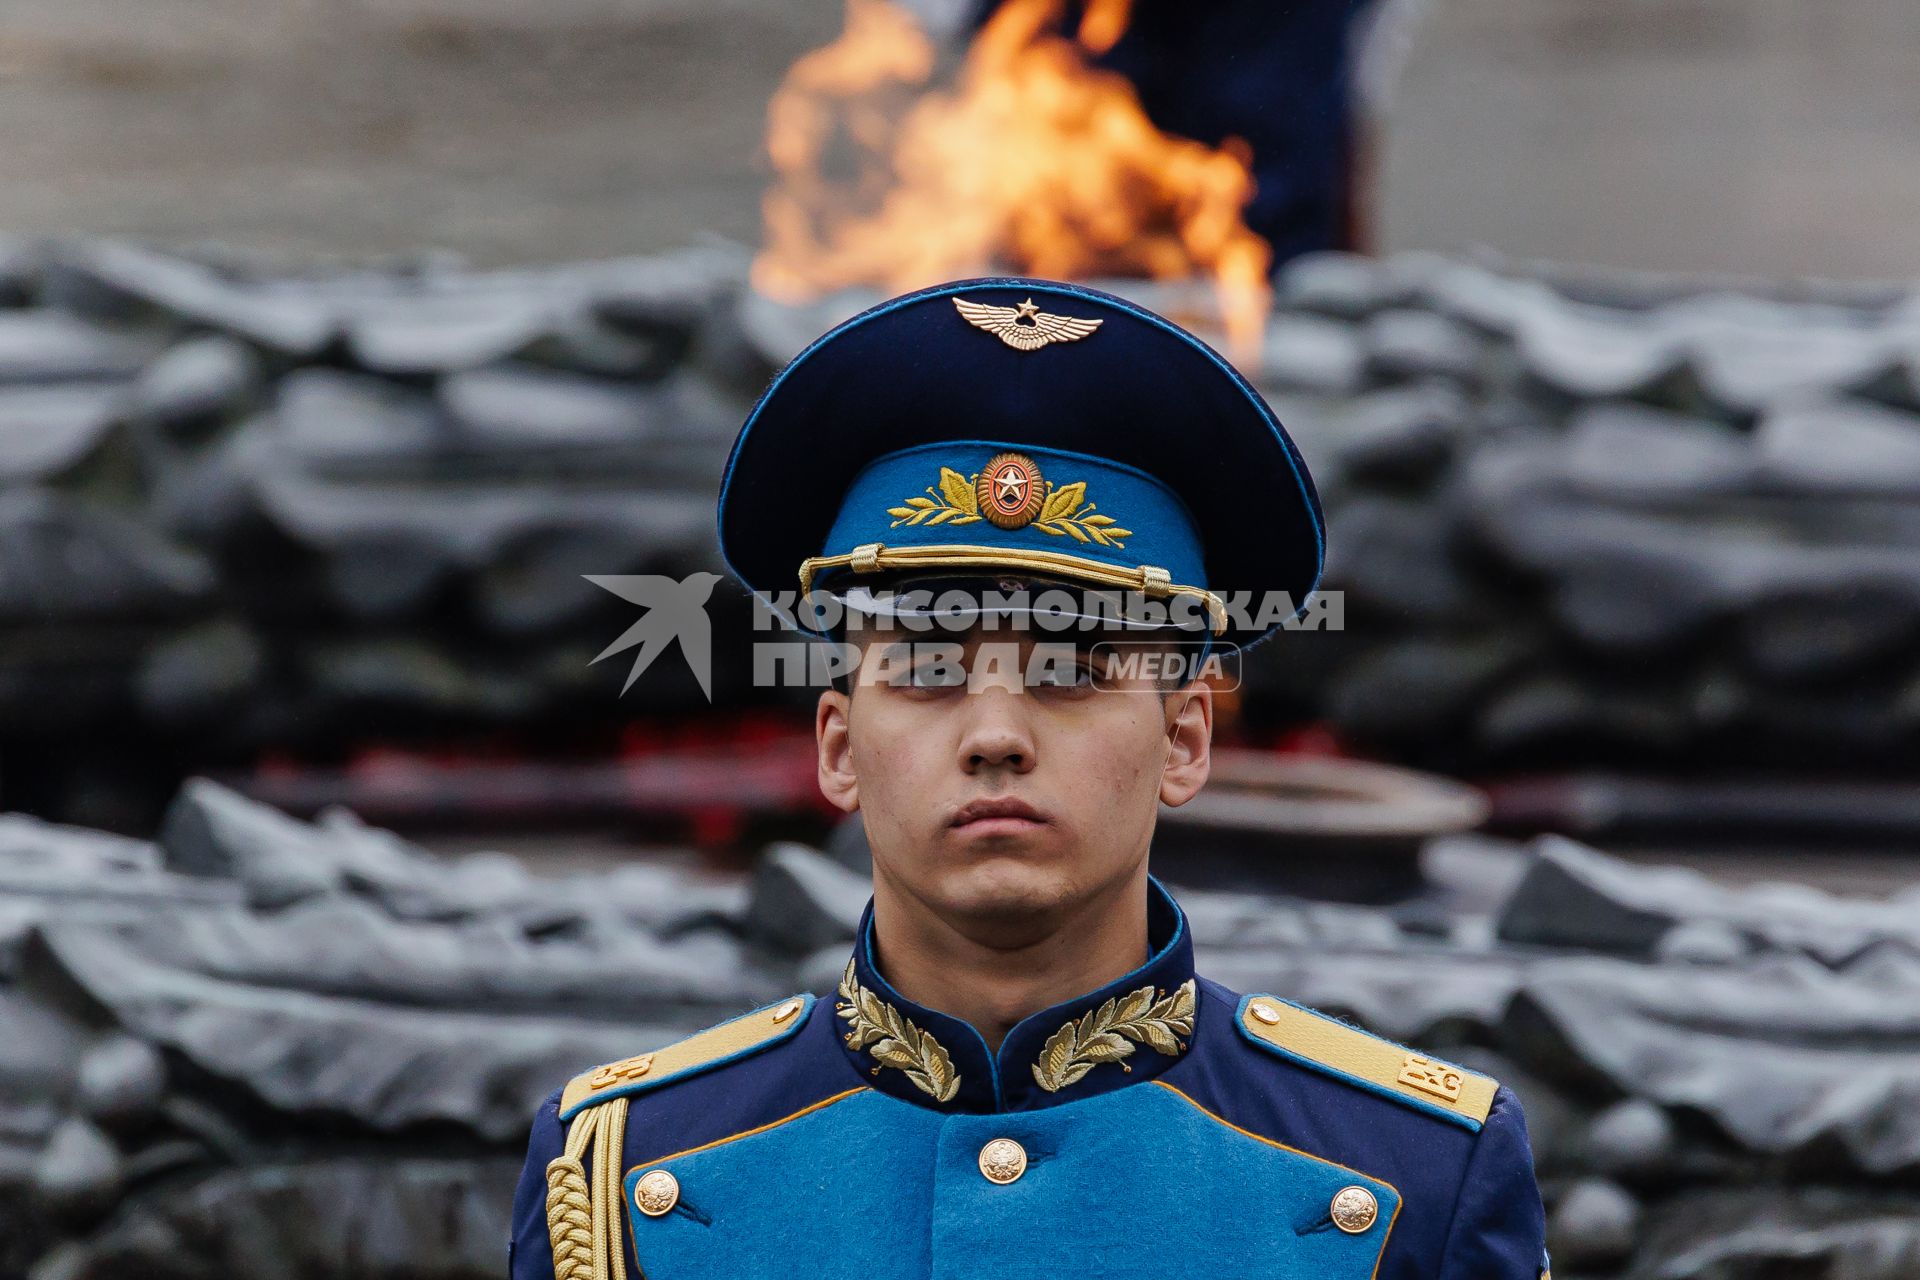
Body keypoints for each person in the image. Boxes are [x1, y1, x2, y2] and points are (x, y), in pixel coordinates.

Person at [508, 278, 1549, 1279]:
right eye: (925, 671)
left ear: (1185, 741)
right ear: (836, 747)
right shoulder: (626, 1176)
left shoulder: (1412, 1177)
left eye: (1074, 673)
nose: (996, 733)